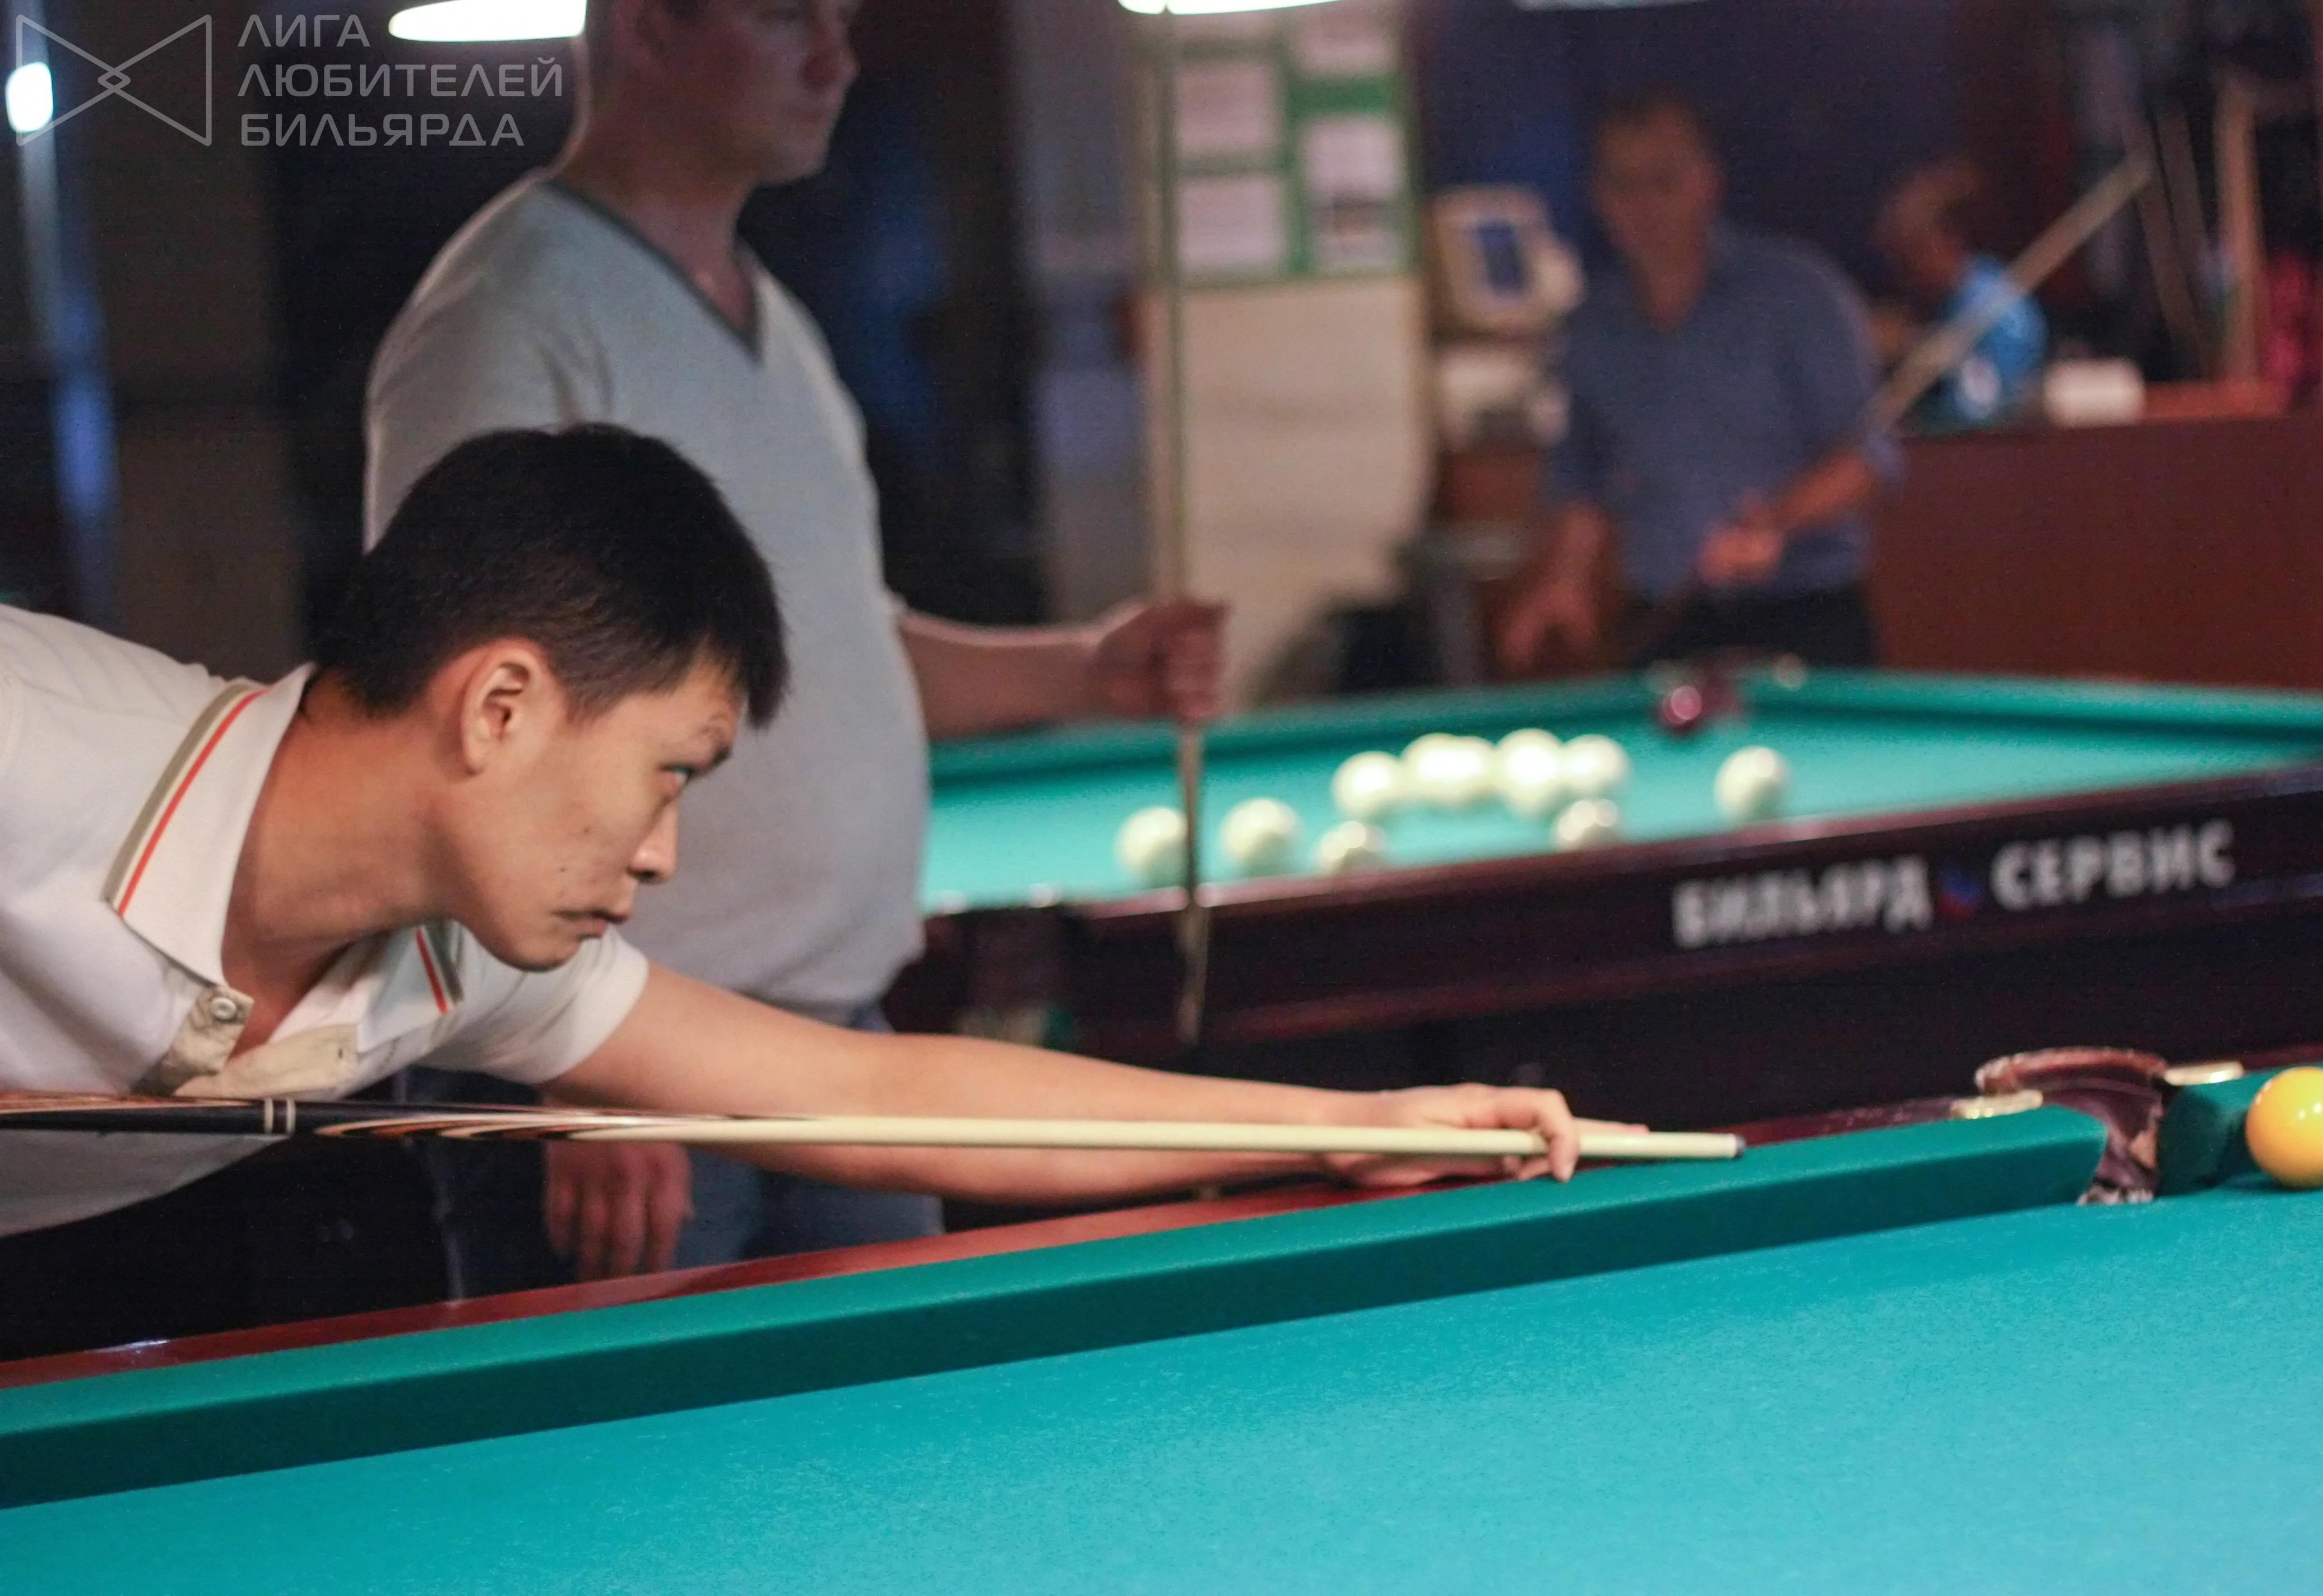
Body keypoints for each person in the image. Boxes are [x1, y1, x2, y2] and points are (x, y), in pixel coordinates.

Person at [0, 427, 1603, 1361]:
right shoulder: (35, 748)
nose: (663, 854)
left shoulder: (462, 953)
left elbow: (875, 1091)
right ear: (499, 708)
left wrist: (1351, 1123)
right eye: (669, 775)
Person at [365, 0, 1223, 1282]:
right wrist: (569, 1059)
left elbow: (837, 649)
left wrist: (1084, 669)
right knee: (646, 1427)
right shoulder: (508, 312)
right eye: (786, 18)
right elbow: (458, 713)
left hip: (834, 1052)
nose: (838, 56)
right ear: (649, 29)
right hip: (628, 1077)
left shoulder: (777, 320)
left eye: (842, 17)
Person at [1500, 91, 1902, 674]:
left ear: (1708, 181)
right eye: (1623, 185)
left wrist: (1775, 523)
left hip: (1804, 613)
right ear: (1597, 195)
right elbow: (1582, 474)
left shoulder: (1799, 294)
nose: (1644, 206)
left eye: (1664, 181)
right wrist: (1564, 579)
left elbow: (1869, 460)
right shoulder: (1592, 326)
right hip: (1668, 616)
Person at [1876, 160, 2047, 432]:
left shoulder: (1998, 310)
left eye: (1913, 253)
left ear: (1948, 240)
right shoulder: (1947, 304)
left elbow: (1981, 412)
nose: (1907, 273)